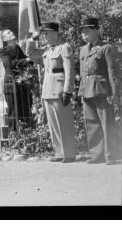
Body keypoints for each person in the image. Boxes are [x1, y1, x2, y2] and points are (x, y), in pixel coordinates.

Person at [78, 17, 122, 165]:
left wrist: (115, 93)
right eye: (82, 32)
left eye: (87, 31)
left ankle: (111, 154)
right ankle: (97, 155)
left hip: (102, 90)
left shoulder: (106, 48)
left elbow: (113, 72)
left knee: (107, 123)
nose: (84, 34)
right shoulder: (83, 49)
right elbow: (83, 72)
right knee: (91, 123)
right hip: (87, 90)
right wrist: (81, 91)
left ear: (96, 30)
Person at [38, 22, 77, 163]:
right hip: (48, 90)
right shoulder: (47, 50)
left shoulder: (64, 48)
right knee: (54, 124)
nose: (45, 36)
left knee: (64, 123)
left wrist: (68, 90)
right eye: (43, 34)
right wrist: (31, 38)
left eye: (47, 33)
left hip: (60, 90)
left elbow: (69, 70)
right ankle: (59, 153)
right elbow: (29, 53)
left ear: (56, 33)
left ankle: (69, 154)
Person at [0, 29, 35, 130]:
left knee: (26, 109)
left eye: (11, 31)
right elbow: (9, 64)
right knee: (13, 112)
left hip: (23, 84)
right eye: (8, 33)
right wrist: (26, 60)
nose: (12, 33)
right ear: (5, 39)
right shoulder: (3, 51)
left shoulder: (19, 49)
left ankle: (28, 132)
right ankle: (14, 136)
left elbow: (29, 60)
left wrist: (34, 58)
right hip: (11, 84)